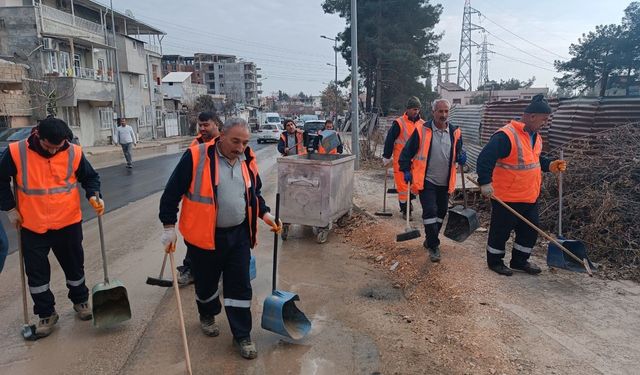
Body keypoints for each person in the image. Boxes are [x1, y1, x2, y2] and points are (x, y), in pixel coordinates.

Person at [159, 117, 282, 360]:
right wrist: (168, 227)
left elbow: (253, 193)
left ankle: (242, 335)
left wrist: (265, 213)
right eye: (235, 141)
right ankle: (207, 314)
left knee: (240, 285)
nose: (240, 147)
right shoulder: (196, 157)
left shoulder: (248, 160)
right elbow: (171, 194)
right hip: (204, 237)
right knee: (206, 284)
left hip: (238, 235)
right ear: (222, 135)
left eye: (245, 142)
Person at [0, 117, 103, 338]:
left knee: (75, 266)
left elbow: (90, 177)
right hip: (32, 224)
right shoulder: (17, 152)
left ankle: (81, 301)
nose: (54, 151)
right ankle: (46, 314)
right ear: (38, 135)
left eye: (58, 147)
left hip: (67, 222)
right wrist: (9, 208)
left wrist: (94, 195)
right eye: (49, 146)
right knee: (37, 274)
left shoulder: (73, 151)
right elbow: (0, 180)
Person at [476, 94, 566, 276]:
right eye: (544, 119)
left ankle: (519, 261)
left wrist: (549, 165)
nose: (545, 123)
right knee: (500, 232)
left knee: (529, 232)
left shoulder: (536, 137)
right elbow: (485, 158)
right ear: (532, 116)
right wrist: (484, 182)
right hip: (507, 197)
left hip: (530, 196)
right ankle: (495, 262)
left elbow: (533, 159)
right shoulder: (506, 135)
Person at [399, 99, 466, 262]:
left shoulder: (455, 132)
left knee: (441, 212)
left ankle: (430, 239)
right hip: (426, 180)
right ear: (433, 112)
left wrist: (462, 157)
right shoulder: (422, 130)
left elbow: (458, 152)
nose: (443, 115)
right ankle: (434, 246)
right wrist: (406, 169)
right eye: (440, 111)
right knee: (430, 211)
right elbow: (406, 153)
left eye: (446, 111)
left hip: (445, 181)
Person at [177, 111, 222, 286]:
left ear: (216, 123)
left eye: (206, 125)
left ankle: (218, 272)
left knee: (219, 242)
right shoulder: (195, 146)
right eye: (200, 125)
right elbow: (182, 176)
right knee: (194, 241)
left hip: (219, 204)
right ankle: (190, 270)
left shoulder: (223, 143)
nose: (202, 128)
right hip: (198, 207)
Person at [382, 96, 423, 217]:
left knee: (416, 185)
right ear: (408, 109)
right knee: (403, 187)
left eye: (418, 109)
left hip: (417, 162)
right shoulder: (399, 123)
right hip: (400, 161)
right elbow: (390, 140)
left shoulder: (423, 124)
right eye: (414, 109)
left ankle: (410, 202)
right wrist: (386, 156)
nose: (416, 112)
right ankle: (406, 210)